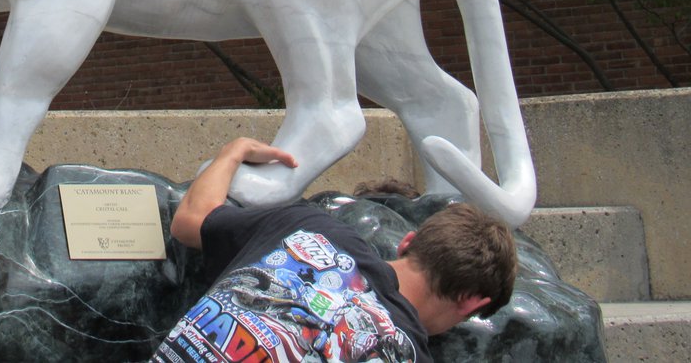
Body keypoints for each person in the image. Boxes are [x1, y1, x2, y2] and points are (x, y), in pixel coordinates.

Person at [151, 138, 517, 363]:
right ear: (472, 303)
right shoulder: (402, 352)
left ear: (408, 242)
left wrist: (233, 152)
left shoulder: (307, 226)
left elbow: (189, 221)